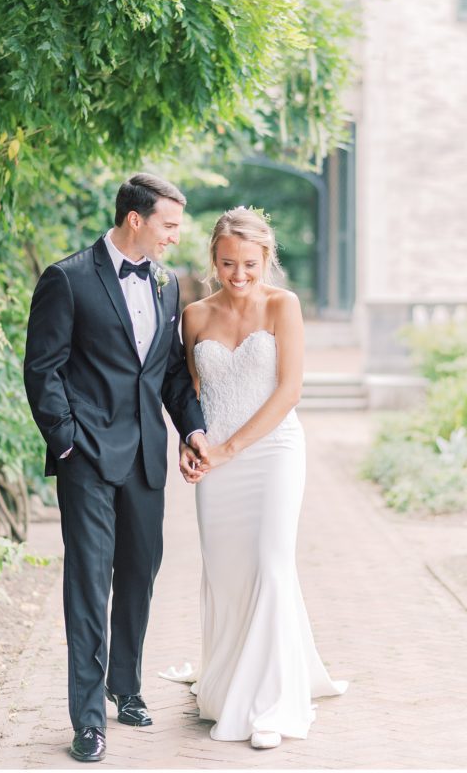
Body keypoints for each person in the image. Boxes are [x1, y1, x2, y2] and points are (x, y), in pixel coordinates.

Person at [24, 173, 208, 763]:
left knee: (139, 573)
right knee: (87, 584)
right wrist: (67, 442)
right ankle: (86, 719)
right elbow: (43, 370)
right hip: (87, 459)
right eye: (170, 225)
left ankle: (124, 686)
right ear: (137, 219)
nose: (175, 238)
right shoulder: (68, 279)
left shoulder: (165, 284)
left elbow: (170, 372)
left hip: (145, 459)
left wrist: (194, 427)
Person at [178, 206, 347, 750]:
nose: (239, 275)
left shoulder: (283, 306)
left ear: (266, 258)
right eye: (228, 263)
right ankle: (228, 687)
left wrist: (230, 448)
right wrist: (193, 443)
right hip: (217, 466)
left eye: (249, 263)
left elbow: (289, 391)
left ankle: (272, 704)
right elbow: (192, 397)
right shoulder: (195, 316)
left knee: (272, 565)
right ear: (214, 260)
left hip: (272, 451)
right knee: (227, 574)